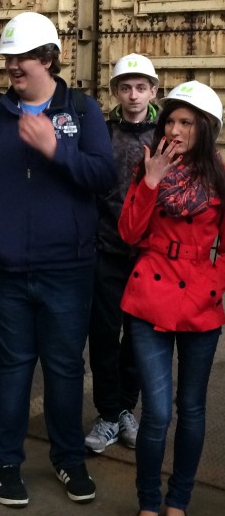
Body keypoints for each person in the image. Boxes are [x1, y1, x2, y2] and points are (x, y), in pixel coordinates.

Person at [0, 11, 115, 508]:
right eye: (8, 57)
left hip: (67, 270)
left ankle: (69, 459)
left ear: (48, 58)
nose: (12, 66)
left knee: (65, 367)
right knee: (12, 365)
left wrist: (55, 149)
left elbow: (103, 177)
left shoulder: (82, 111)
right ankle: (5, 463)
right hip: (4, 270)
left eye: (22, 57)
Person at [118, 80, 225, 516]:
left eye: (187, 123)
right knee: (158, 412)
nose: (175, 130)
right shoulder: (149, 166)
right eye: (171, 121)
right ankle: (148, 501)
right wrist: (150, 182)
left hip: (202, 301)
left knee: (192, 409)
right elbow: (129, 233)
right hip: (151, 297)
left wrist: (216, 281)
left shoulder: (219, 174)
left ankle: (178, 501)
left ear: (206, 128)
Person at [86, 54, 159, 454]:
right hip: (108, 250)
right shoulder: (102, 133)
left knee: (138, 336)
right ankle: (108, 414)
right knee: (103, 333)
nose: (133, 95)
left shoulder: (164, 136)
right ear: (114, 92)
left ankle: (127, 409)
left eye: (141, 88)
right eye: (126, 87)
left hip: (149, 256)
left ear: (153, 92)